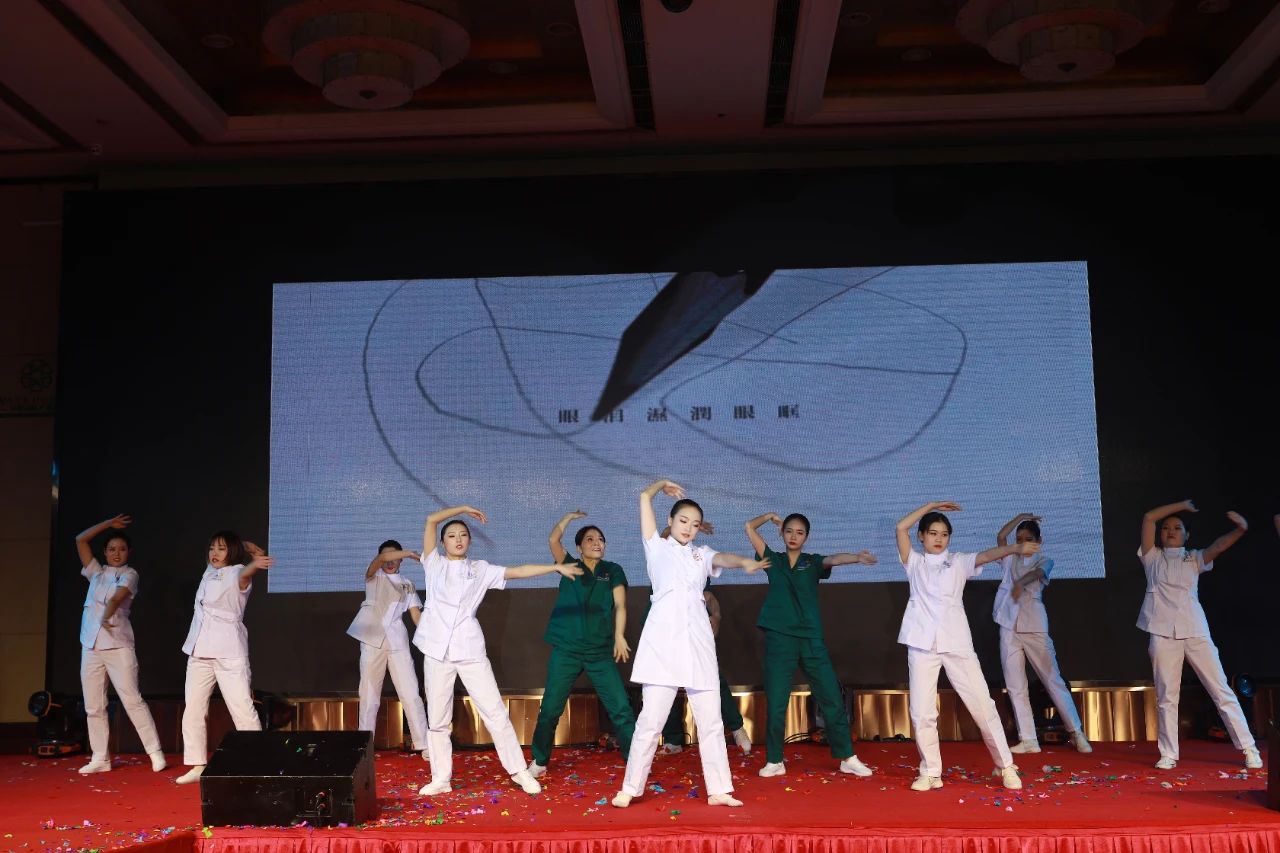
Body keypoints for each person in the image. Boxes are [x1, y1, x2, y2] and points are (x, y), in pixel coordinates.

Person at [611, 480, 769, 809]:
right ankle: (630, 787)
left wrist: (745, 562)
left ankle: (719, 789)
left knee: (710, 721)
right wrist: (659, 486)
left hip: (697, 641)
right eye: (683, 521)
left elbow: (722, 557)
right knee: (650, 722)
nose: (688, 528)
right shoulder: (655, 547)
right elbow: (643, 498)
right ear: (670, 521)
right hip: (662, 644)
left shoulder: (701, 554)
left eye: (695, 524)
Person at [415, 505, 582, 796]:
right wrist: (463, 508)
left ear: (470, 540)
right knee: (438, 719)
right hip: (435, 649)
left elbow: (517, 571)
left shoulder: (480, 569)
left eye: (463, 535)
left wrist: (554, 567)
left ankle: (519, 771)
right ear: (442, 543)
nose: (458, 539)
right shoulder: (433, 564)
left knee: (494, 712)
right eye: (452, 535)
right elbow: (430, 520)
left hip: (469, 649)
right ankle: (441, 778)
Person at [895, 501, 1029, 792]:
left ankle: (1006, 765)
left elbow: (987, 555)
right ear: (922, 536)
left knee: (982, 705)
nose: (939, 539)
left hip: (956, 642)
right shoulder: (914, 562)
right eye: (932, 533)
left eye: (944, 534)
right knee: (922, 712)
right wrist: (931, 505)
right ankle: (931, 772)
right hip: (921, 643)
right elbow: (900, 527)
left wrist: (1015, 548)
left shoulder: (958, 561)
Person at [745, 511, 877, 778]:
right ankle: (774, 760)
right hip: (780, 638)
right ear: (782, 534)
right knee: (777, 701)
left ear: (806, 537)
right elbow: (749, 527)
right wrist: (769, 516)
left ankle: (847, 757)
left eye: (800, 532)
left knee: (831, 696)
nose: (794, 536)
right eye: (789, 531)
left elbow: (833, 559)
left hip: (810, 638)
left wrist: (856, 557)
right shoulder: (773, 560)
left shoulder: (812, 562)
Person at [1138, 499, 1261, 770]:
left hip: (1195, 630)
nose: (1170, 531)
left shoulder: (1193, 558)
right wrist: (1180, 505)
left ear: (1187, 535)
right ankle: (1168, 753)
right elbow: (1148, 517)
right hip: (1162, 633)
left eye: (1177, 528)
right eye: (1166, 528)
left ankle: (1249, 748)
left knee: (1220, 689)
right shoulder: (1152, 557)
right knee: (1166, 696)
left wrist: (1240, 530)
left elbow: (1218, 546)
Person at [528, 512, 636, 777]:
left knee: (621, 709)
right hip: (567, 649)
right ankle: (539, 762)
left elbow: (621, 605)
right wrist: (567, 518)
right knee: (550, 709)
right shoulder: (569, 565)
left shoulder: (612, 570)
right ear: (579, 547)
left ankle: (635, 763)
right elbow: (553, 540)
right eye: (590, 539)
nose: (597, 543)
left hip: (599, 651)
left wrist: (619, 635)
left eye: (601, 539)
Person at [176, 531, 273, 784]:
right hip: (199, 650)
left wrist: (254, 561)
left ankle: (257, 762)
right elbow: (235, 553)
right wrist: (248, 546)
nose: (214, 553)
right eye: (212, 548)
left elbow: (246, 573)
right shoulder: (210, 571)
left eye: (221, 549)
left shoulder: (236, 572)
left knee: (241, 707)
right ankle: (197, 765)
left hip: (229, 652)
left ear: (232, 552)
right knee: (193, 709)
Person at [73, 514, 166, 774]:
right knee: (94, 705)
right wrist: (107, 524)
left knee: (132, 700)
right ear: (104, 552)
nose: (116, 553)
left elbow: (117, 597)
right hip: (90, 646)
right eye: (112, 549)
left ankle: (155, 752)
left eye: (122, 549)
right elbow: (80, 540)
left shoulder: (130, 574)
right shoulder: (96, 573)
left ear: (129, 552)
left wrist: (107, 614)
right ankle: (100, 758)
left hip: (118, 646)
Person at [992, 513, 1090, 754]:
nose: (1023, 543)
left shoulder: (1045, 560)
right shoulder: (1010, 558)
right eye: (1020, 539)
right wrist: (1020, 517)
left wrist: (1019, 583)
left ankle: (1076, 732)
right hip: (1008, 625)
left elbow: (1036, 574)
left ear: (1038, 541)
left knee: (1052, 680)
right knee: (1015, 684)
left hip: (1034, 625)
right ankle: (1028, 739)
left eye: (1028, 539)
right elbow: (1001, 537)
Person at [346, 540, 429, 760]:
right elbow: (382, 559)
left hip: (398, 642)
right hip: (372, 639)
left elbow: (416, 615)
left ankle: (424, 743)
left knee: (410, 693)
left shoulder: (407, 583)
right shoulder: (374, 576)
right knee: (369, 695)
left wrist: (432, 635)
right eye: (388, 557)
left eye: (396, 557)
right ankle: (365, 748)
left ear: (400, 561)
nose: (390, 562)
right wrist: (409, 553)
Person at [659, 576, 753, 758]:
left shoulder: (696, 564)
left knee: (714, 680)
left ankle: (737, 729)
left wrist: (716, 616)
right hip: (665, 631)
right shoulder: (660, 566)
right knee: (666, 683)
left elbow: (708, 596)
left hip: (695, 630)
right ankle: (672, 739)